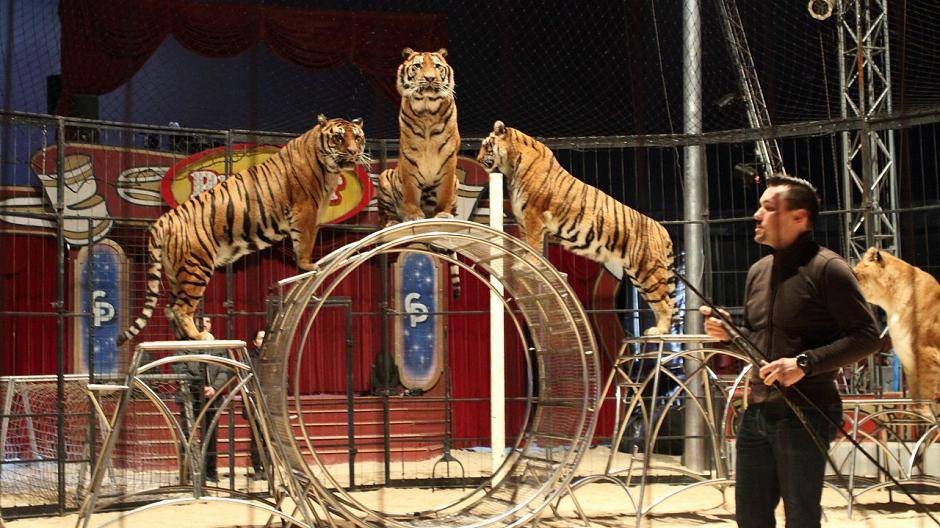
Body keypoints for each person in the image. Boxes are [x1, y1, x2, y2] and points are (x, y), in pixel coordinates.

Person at [700, 174, 879, 527]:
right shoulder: (758, 271)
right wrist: (729, 333)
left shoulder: (828, 268)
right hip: (757, 411)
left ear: (798, 217)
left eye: (768, 208)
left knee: (800, 517)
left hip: (808, 411)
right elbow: (757, 340)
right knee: (750, 517)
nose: (756, 215)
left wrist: (803, 364)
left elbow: (867, 336)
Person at [174, 316, 230, 483]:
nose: (203, 324)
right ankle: (187, 474)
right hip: (189, 397)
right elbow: (179, 368)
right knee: (187, 436)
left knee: (210, 436)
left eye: (207, 321)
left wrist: (214, 388)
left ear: (211, 325)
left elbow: (226, 369)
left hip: (212, 397)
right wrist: (199, 386)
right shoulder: (184, 344)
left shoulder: (218, 346)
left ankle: (210, 473)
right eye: (200, 321)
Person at [244, 329, 266, 481]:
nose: (262, 341)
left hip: (270, 404)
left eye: (265, 338)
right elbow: (246, 378)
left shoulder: (274, 357)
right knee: (256, 438)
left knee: (269, 439)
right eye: (260, 338)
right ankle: (257, 468)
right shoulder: (249, 358)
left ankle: (268, 468)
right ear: (254, 342)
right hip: (254, 402)